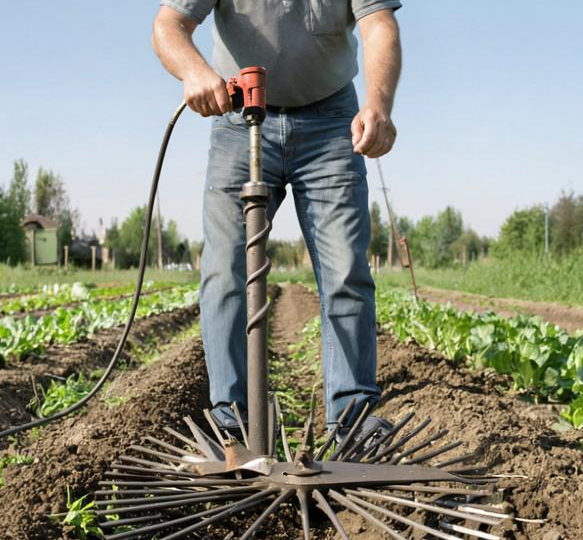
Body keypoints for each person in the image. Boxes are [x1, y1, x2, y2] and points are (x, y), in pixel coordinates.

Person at [152, 0, 402, 443]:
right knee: (226, 268)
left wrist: (378, 103)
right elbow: (170, 24)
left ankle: (351, 419)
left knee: (345, 268)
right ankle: (231, 418)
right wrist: (193, 71)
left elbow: (379, 26)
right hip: (238, 118)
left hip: (331, 123)